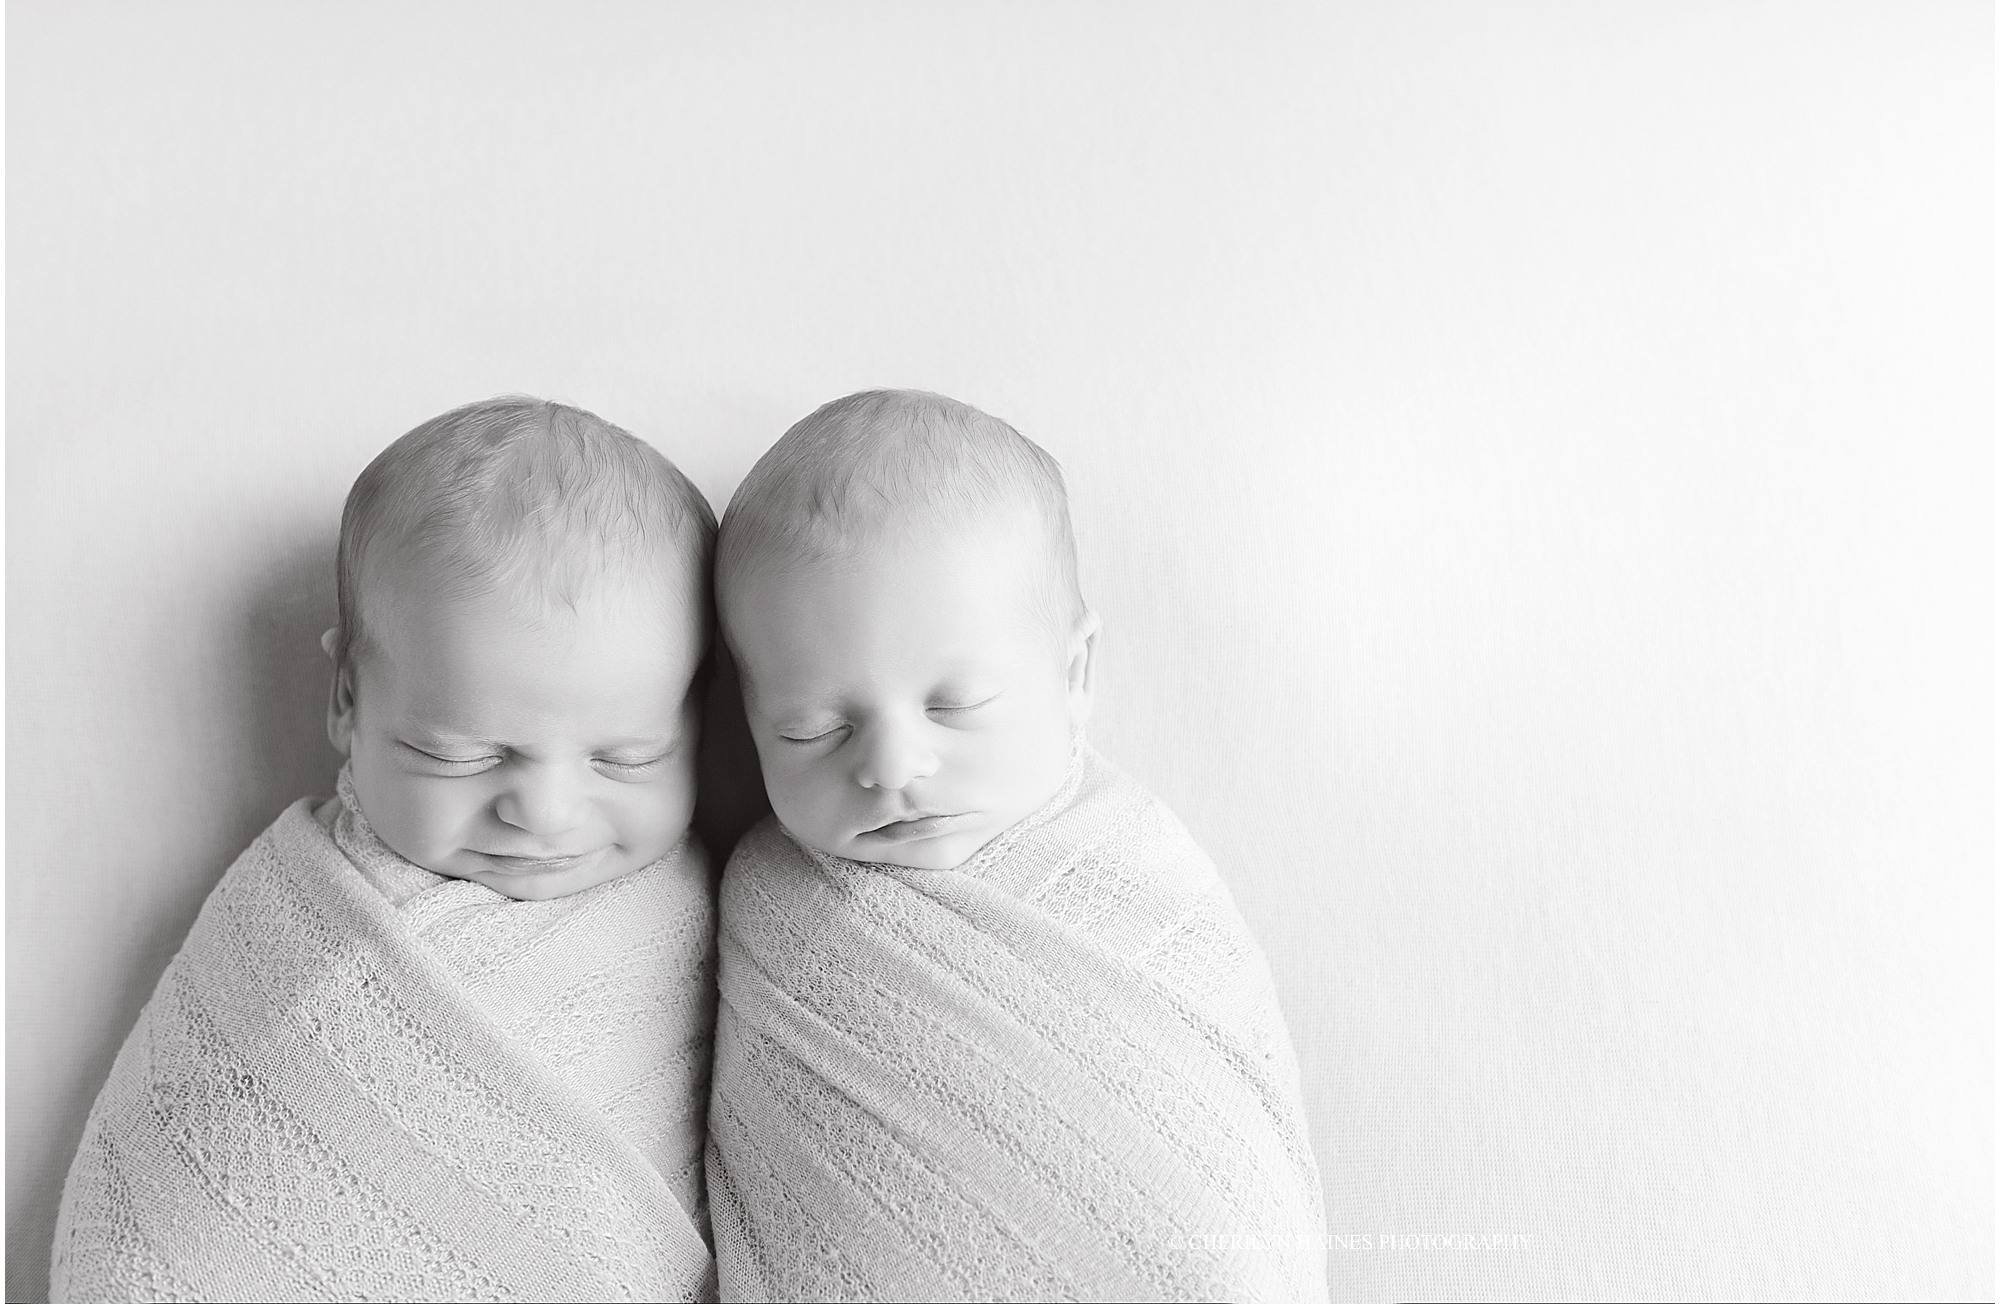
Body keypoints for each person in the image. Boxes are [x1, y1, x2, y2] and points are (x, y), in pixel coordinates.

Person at [51, 397, 719, 1302]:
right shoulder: (290, 927)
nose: (546, 813)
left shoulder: (699, 915)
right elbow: (182, 1199)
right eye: (461, 754)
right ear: (347, 701)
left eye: (627, 757)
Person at [706, 388, 1328, 1301]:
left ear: (1075, 674)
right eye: (811, 729)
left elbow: (1215, 1114)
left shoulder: (1134, 866)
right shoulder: (766, 900)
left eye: (954, 705)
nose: (890, 764)